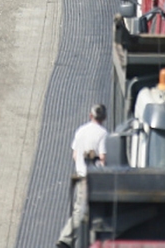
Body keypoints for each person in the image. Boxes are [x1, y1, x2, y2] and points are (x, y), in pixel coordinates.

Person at [55, 104, 107, 248]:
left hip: (80, 176)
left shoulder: (81, 131)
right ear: (104, 117)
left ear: (90, 115)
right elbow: (102, 157)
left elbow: (75, 154)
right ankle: (66, 240)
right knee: (84, 211)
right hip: (93, 180)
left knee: (79, 209)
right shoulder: (103, 134)